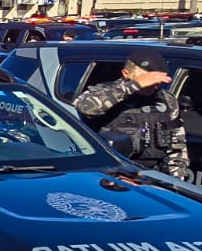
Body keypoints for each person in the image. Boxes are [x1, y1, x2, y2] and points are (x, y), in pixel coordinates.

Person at [73, 48, 187, 178]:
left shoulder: (166, 100)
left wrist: (176, 180)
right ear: (126, 73)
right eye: (147, 79)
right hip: (109, 176)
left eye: (157, 81)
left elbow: (177, 145)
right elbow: (86, 107)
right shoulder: (106, 93)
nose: (152, 85)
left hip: (151, 176)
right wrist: (135, 85)